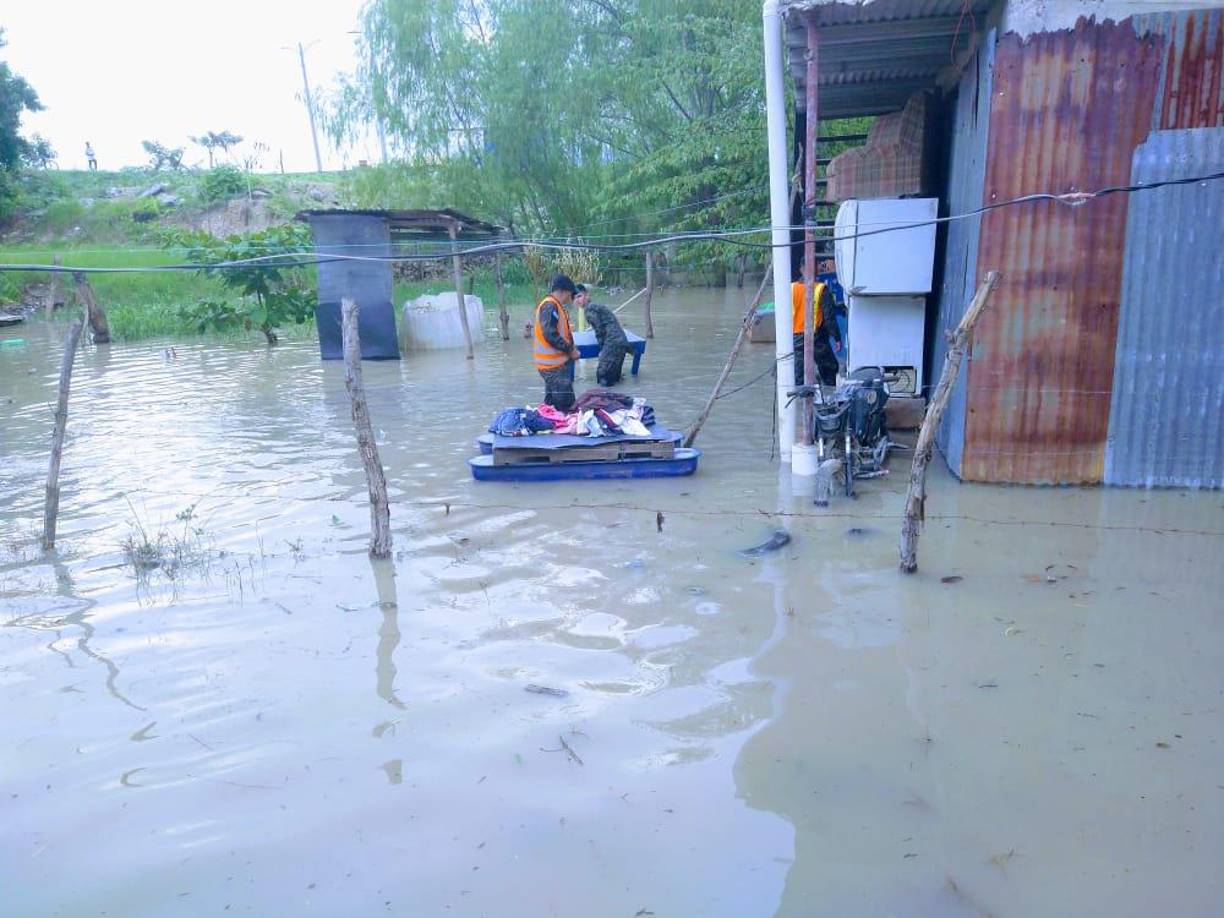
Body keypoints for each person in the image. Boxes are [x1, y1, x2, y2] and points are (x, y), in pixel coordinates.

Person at [533, 274, 581, 411]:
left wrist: (570, 347)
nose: (570, 298)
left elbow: (558, 333)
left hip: (553, 366)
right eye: (570, 294)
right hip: (552, 367)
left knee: (551, 407)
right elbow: (550, 334)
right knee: (569, 410)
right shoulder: (550, 306)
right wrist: (570, 350)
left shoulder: (555, 306)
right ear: (565, 291)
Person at [792, 272, 842, 388]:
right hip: (815, 338)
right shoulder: (820, 289)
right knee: (830, 367)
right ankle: (830, 398)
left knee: (798, 374)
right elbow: (829, 317)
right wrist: (837, 337)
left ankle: (798, 402)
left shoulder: (791, 288)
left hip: (795, 338)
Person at [574, 283, 629, 387]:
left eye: (579, 296)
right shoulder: (594, 306)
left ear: (587, 295)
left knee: (602, 377)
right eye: (575, 298)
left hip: (612, 342)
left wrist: (602, 350)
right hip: (620, 341)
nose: (577, 300)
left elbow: (600, 330)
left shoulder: (589, 309)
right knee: (615, 379)